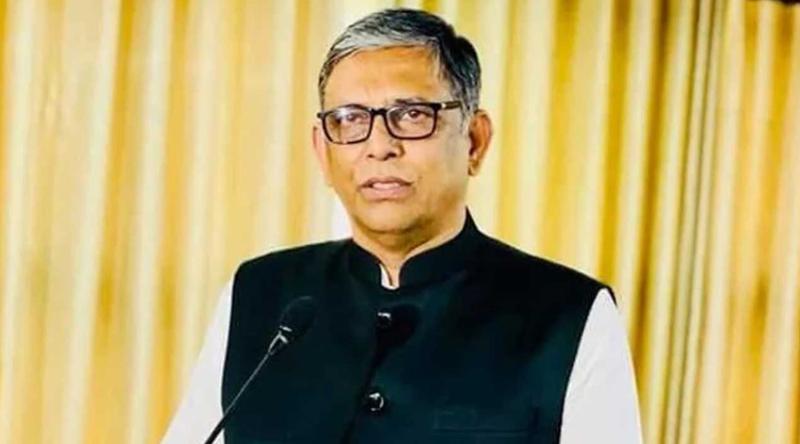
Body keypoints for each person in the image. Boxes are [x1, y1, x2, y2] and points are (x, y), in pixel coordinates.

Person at [162, 8, 642, 444]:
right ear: (322, 152)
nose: (379, 146)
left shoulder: (568, 315)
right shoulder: (261, 294)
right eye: (350, 119)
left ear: (474, 141)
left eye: (412, 115)